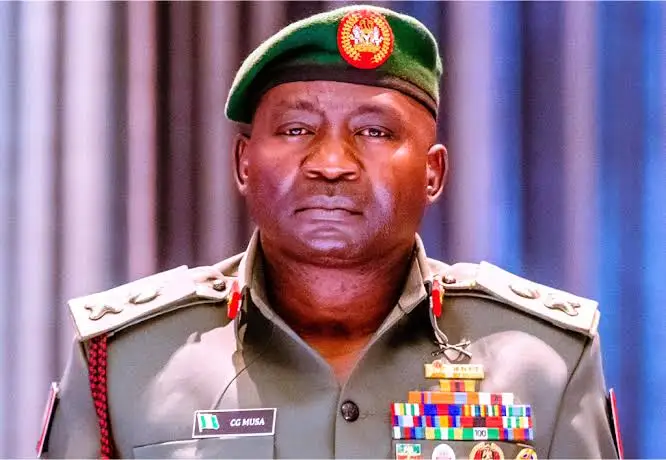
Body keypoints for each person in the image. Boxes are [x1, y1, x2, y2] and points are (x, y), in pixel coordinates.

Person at [39, 5, 621, 459]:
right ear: (244, 163)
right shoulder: (124, 360)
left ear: (433, 172)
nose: (332, 163)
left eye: (374, 132)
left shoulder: (545, 361)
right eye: (296, 129)